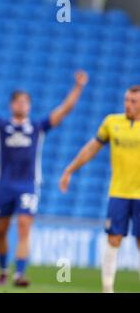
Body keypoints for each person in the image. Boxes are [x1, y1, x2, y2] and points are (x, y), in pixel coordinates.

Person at [0, 62, 88, 286]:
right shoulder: (2, 126)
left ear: (30, 106)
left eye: (26, 102)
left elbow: (64, 110)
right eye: (18, 101)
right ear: (12, 105)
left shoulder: (38, 127)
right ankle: (3, 268)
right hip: (4, 185)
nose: (22, 104)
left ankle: (19, 274)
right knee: (1, 231)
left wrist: (78, 87)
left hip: (28, 185)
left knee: (24, 228)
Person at [59, 86, 140, 293]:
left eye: (133, 101)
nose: (128, 104)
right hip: (118, 193)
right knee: (113, 239)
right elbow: (92, 149)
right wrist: (70, 169)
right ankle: (107, 288)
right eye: (127, 100)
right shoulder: (112, 123)